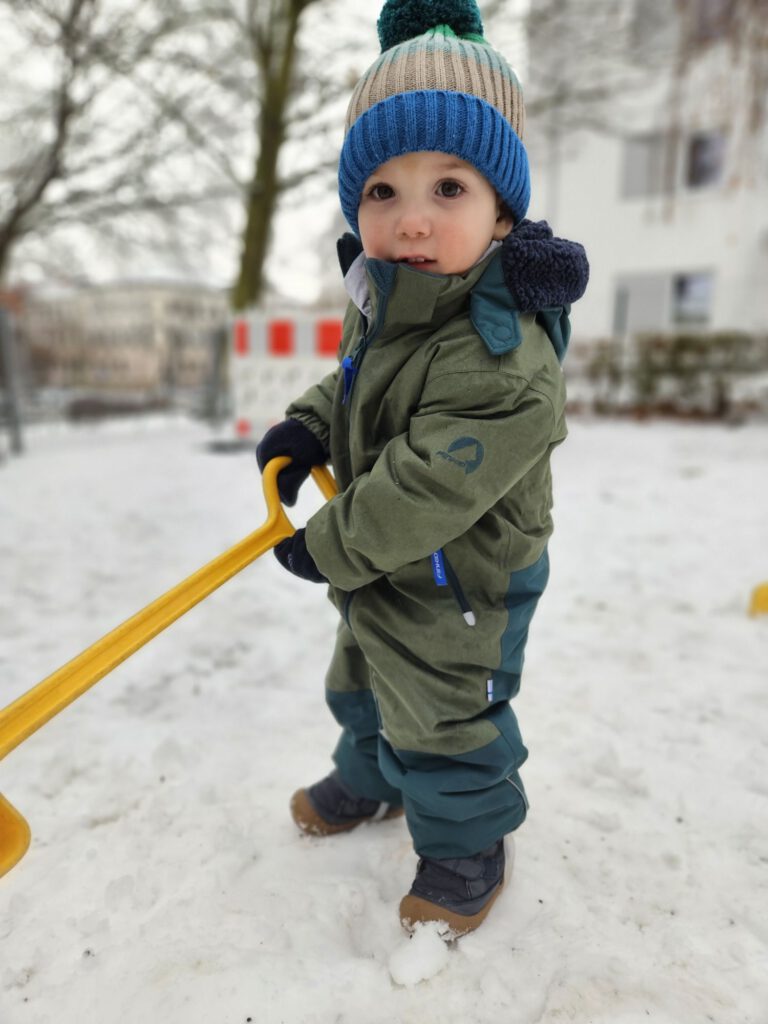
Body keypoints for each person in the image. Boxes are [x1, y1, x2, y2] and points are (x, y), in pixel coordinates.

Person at [256, 0, 589, 937]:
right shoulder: (390, 299)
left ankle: (468, 844)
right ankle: (371, 777)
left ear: (500, 211)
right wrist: (309, 428)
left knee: (445, 712)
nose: (410, 220)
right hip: (385, 559)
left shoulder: (502, 352)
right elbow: (359, 384)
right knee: (363, 673)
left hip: (465, 577)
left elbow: (431, 481)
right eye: (382, 191)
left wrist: (329, 544)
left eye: (448, 188)